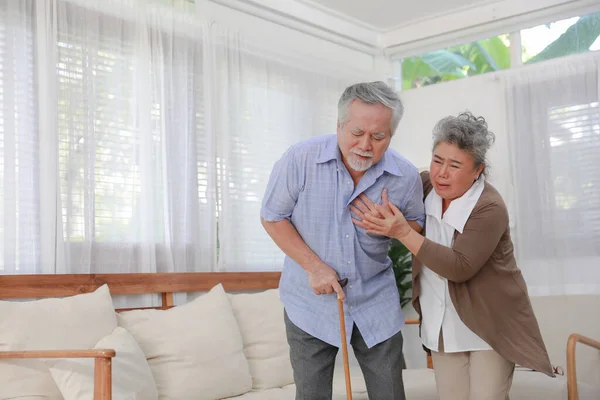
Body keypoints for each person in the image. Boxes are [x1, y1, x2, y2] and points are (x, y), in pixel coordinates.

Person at [351, 111, 554, 400]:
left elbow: (460, 267)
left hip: (490, 326)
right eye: (437, 161)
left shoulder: (489, 207)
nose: (441, 173)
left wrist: (402, 233)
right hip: (442, 324)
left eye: (455, 165)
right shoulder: (423, 186)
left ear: (477, 170)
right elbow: (387, 173)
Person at [260, 81, 425, 400]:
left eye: (378, 137)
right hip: (309, 301)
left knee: (390, 393)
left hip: (375, 299)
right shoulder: (300, 159)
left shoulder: (405, 176)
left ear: (390, 135)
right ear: (339, 125)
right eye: (356, 133)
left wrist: (396, 228)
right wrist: (314, 266)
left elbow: (416, 224)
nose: (366, 144)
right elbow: (272, 216)